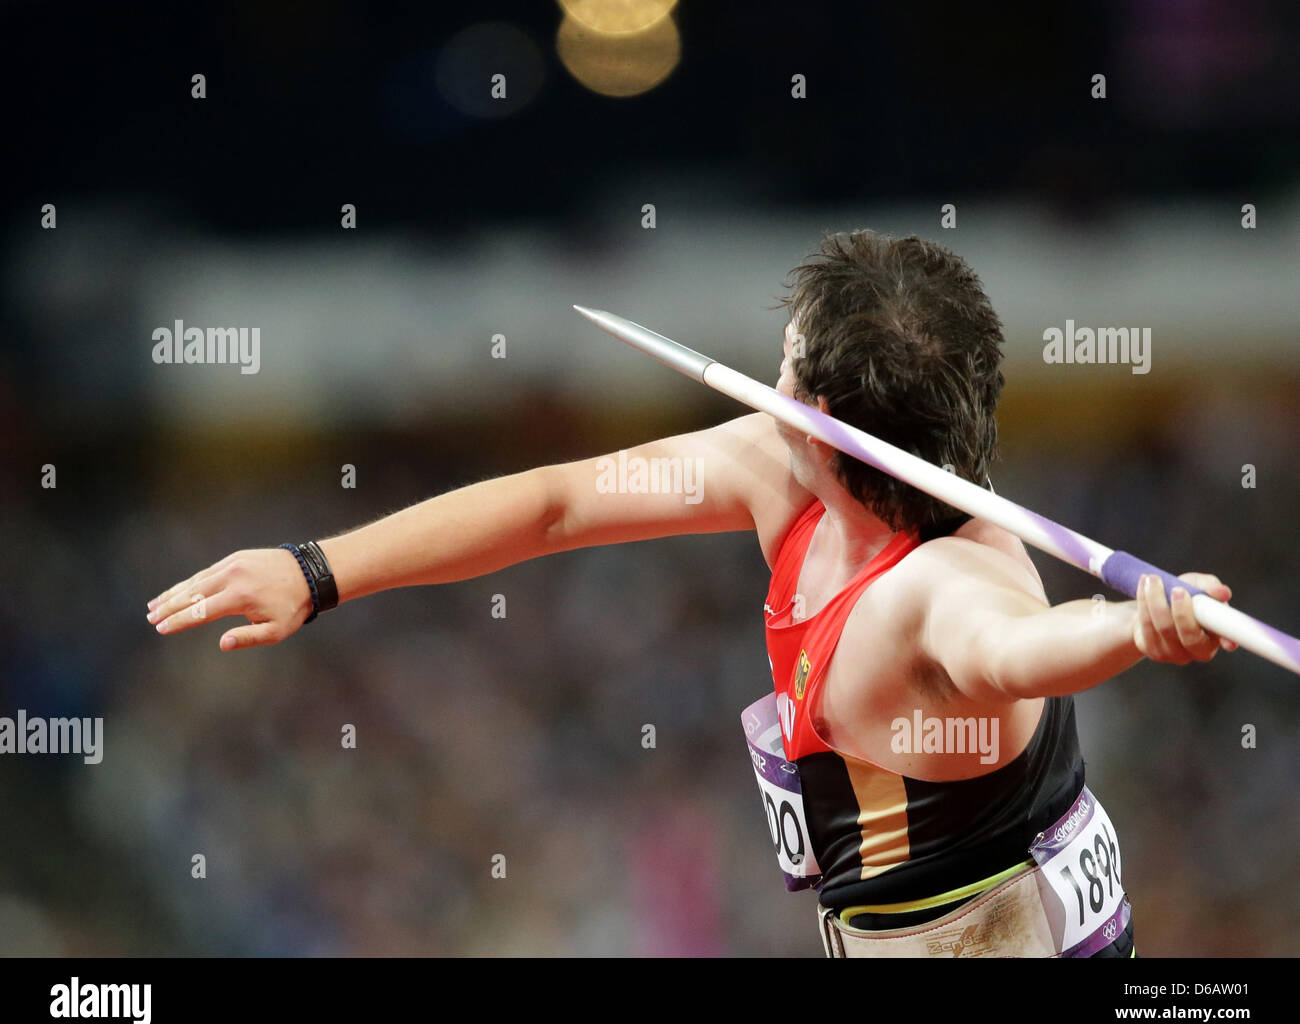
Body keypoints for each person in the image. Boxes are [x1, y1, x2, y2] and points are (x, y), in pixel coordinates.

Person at [146, 230, 1235, 957]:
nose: (766, 373)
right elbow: (557, 507)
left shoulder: (944, 585)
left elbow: (1016, 653)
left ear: (820, 415)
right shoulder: (780, 467)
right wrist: (320, 570)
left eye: (783, 361)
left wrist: (1139, 625)